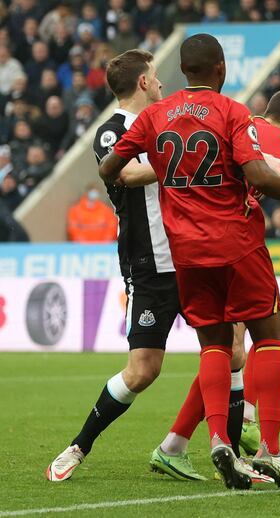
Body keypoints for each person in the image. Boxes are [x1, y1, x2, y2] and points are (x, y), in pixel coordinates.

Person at [97, 34, 280, 490]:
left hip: (187, 255)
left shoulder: (156, 116)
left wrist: (164, 167)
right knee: (271, 335)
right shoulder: (233, 111)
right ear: (220, 69)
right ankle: (270, 452)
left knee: (215, 346)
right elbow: (257, 173)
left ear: (183, 71)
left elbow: (110, 170)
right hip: (236, 244)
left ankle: (219, 439)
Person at [150, 87, 280, 489]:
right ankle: (245, 437)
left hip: (191, 244)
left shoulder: (240, 126)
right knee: (248, 341)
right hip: (230, 246)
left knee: (238, 339)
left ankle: (183, 442)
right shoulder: (276, 144)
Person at [47, 49, 191, 482]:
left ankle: (218, 448)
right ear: (144, 82)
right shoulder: (111, 132)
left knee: (231, 349)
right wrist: (177, 158)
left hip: (194, 254)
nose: (162, 84)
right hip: (148, 262)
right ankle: (79, 445)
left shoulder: (166, 122)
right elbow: (124, 175)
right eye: (156, 77)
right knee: (143, 370)